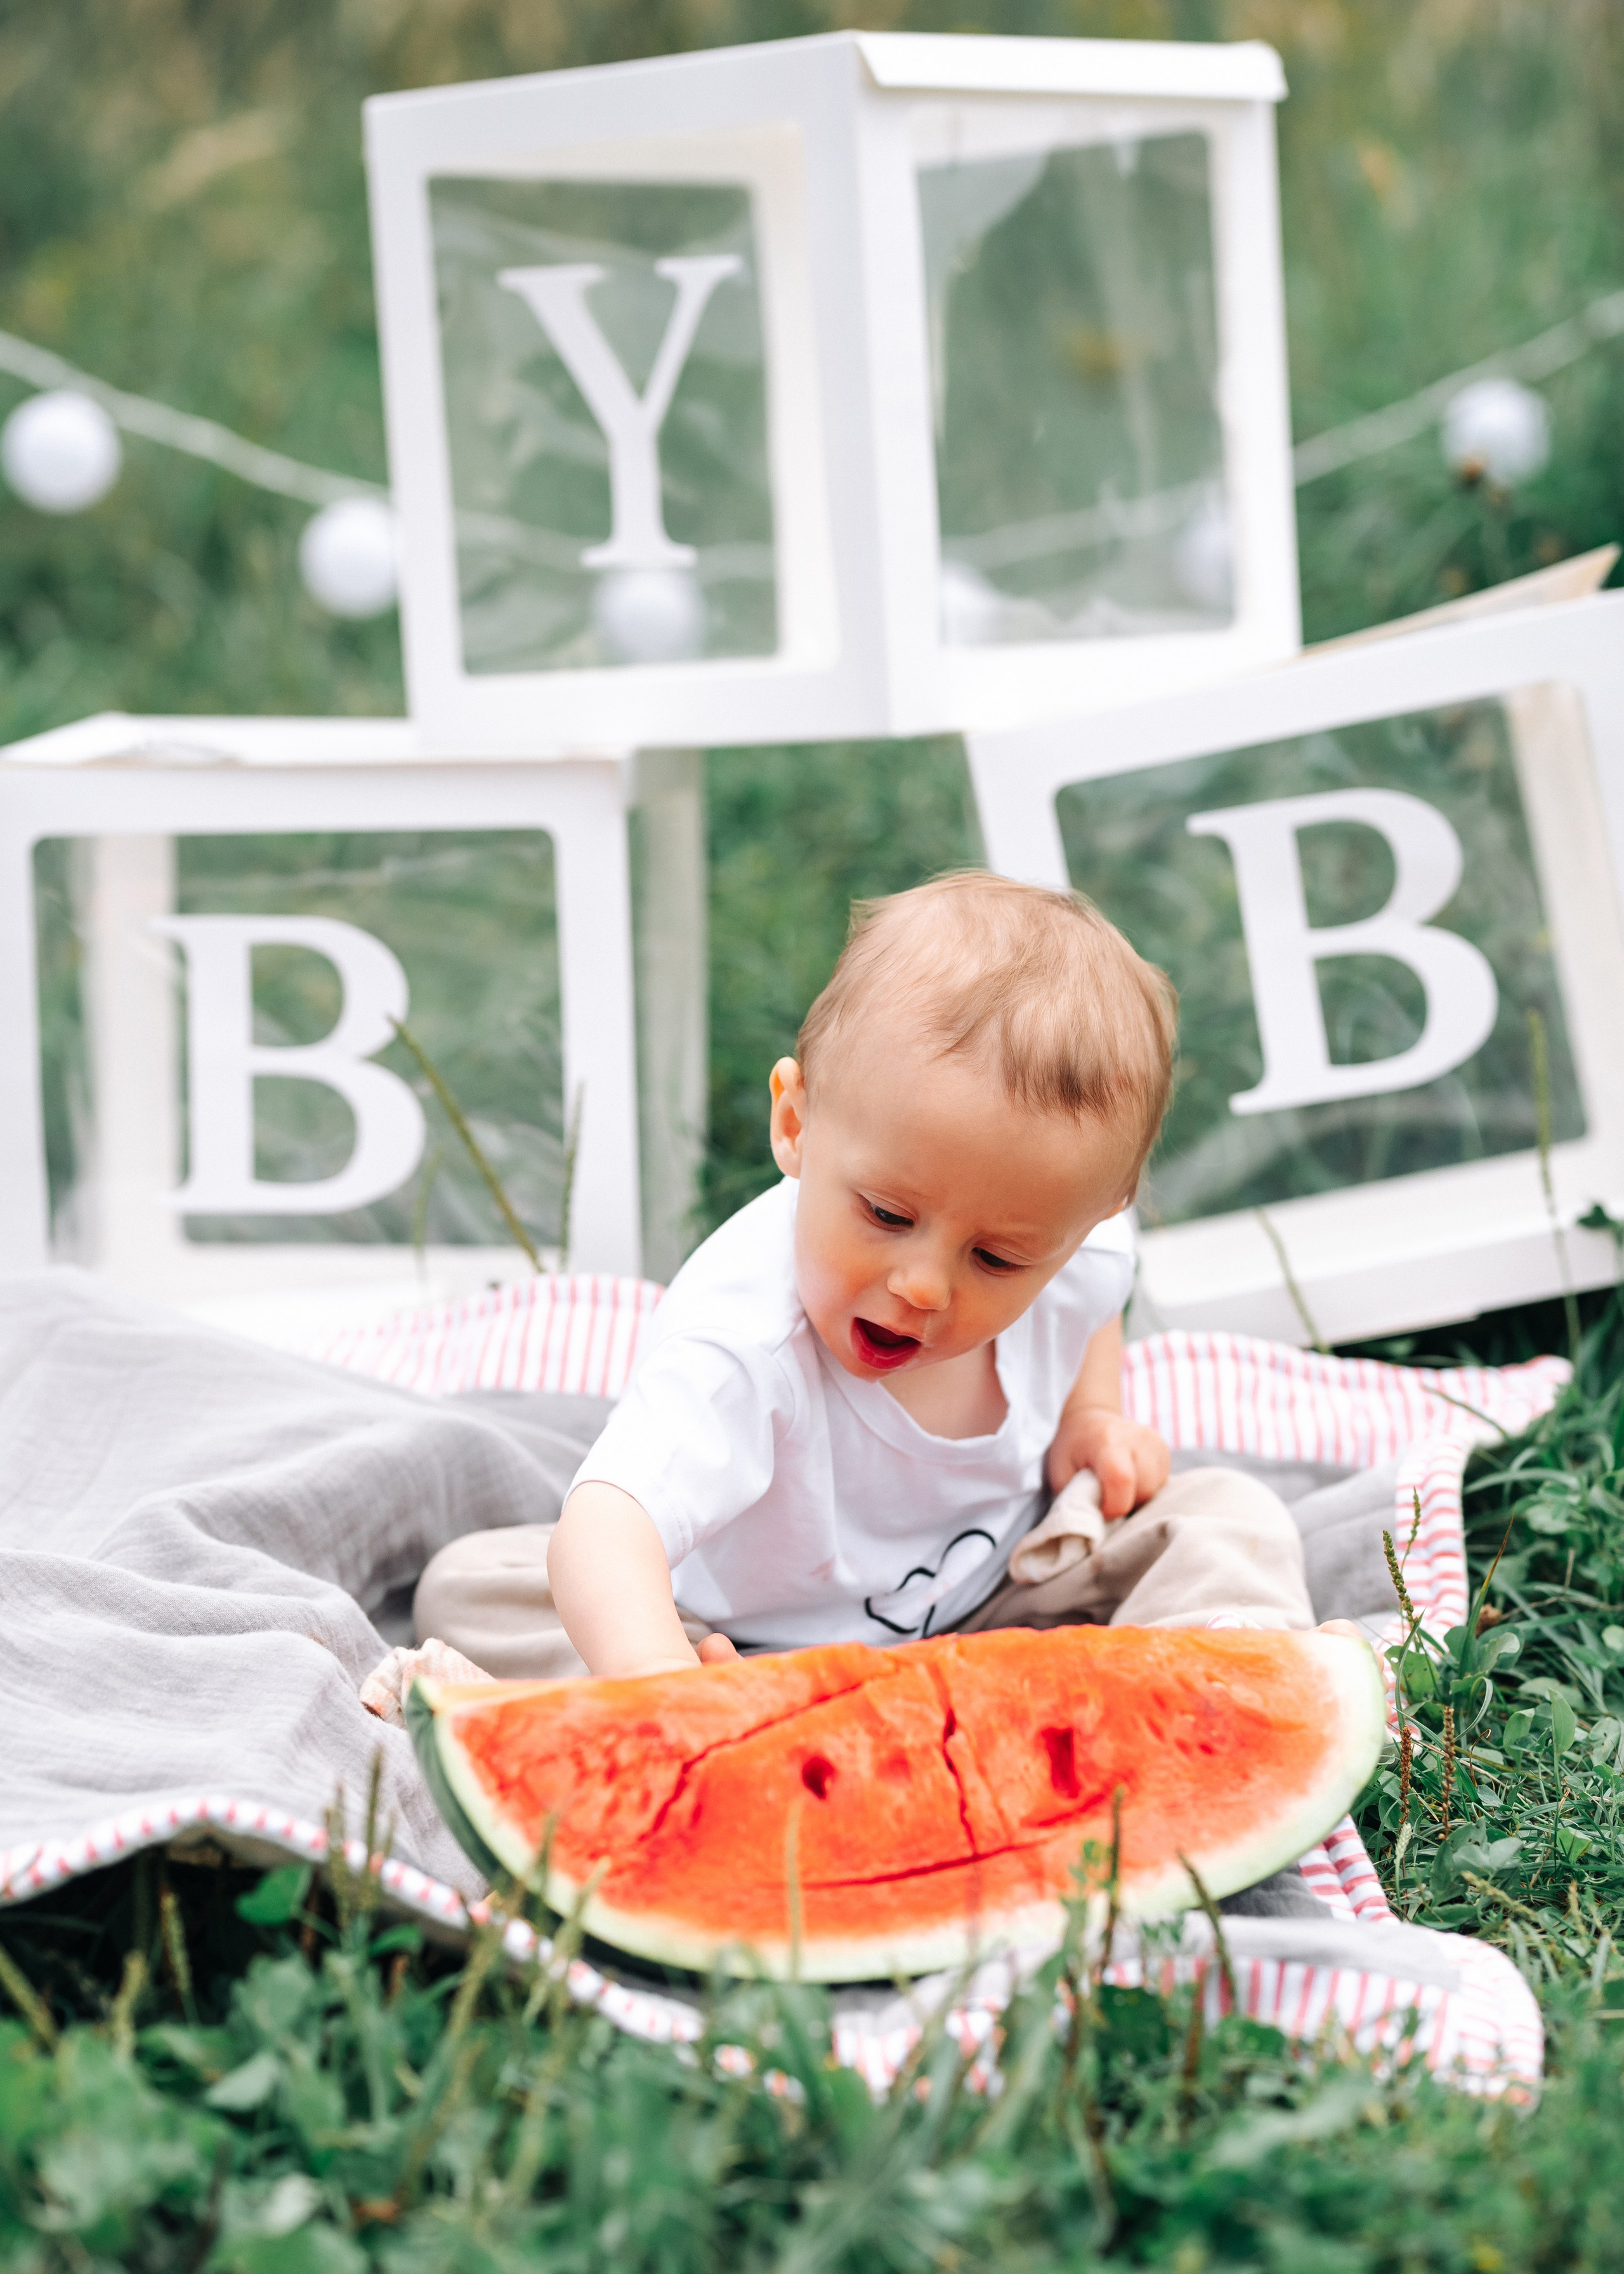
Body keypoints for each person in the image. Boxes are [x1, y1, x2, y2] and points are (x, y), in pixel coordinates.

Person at [409, 872, 1321, 1685]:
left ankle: (1229, 1700)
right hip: (753, 1646)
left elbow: (1094, 1300)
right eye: (887, 1216)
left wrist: (1092, 1417)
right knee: (477, 1590)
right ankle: (715, 1705)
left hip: (1010, 1589)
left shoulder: (1076, 1241)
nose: (924, 1285)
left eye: (998, 1259)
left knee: (1228, 1513)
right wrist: (660, 1683)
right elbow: (610, 1523)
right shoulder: (743, 1339)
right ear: (796, 1124)